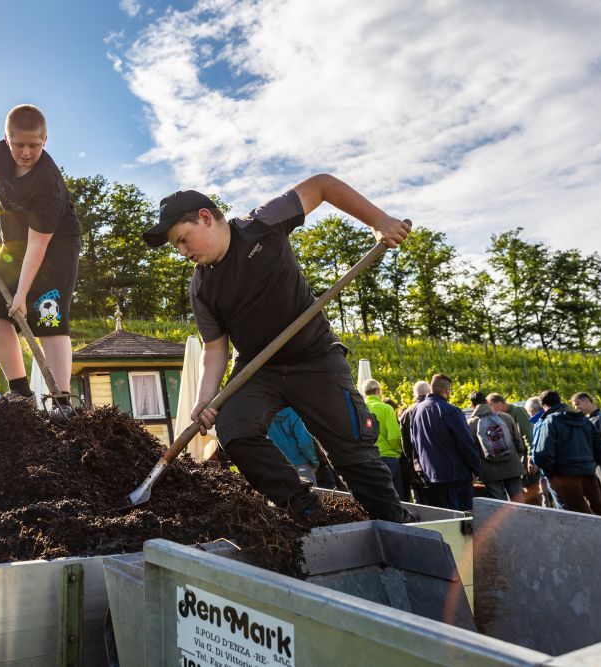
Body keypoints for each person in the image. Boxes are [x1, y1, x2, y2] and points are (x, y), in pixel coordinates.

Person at [141, 173, 412, 522]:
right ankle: (304, 509)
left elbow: (322, 186)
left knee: (351, 450)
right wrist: (204, 399)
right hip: (259, 368)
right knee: (234, 429)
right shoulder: (202, 288)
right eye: (176, 247)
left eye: (182, 239)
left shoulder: (262, 224)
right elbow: (215, 349)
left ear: (205, 218)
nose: (182, 252)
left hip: (315, 358)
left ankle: (393, 521)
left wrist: (379, 221)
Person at [0, 104, 82, 421]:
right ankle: (20, 392)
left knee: (48, 314)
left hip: (56, 247)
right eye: (19, 144)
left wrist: (21, 295)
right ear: (7, 139)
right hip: (14, 244)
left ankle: (61, 401)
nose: (26, 152)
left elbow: (38, 244)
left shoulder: (48, 184)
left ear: (45, 140)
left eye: (34, 145)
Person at [409, 374, 483, 511]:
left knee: (443, 517)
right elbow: (466, 442)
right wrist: (476, 468)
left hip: (430, 475)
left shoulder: (416, 411)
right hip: (455, 475)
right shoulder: (450, 410)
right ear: (447, 390)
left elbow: (414, 444)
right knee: (463, 517)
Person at [532, 390, 601, 515]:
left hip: (563, 475)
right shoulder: (584, 420)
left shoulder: (549, 422)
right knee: (600, 512)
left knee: (575, 516)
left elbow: (541, 454)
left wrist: (551, 473)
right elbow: (600, 446)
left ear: (544, 406)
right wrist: (591, 464)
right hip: (587, 471)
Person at [467, 391, 525, 502]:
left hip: (490, 471)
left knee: (499, 505)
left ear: (472, 405)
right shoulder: (505, 417)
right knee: (519, 503)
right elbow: (519, 442)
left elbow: (471, 450)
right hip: (512, 466)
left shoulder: (470, 423)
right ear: (486, 401)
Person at [487, 392, 540, 505]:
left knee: (532, 491)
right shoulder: (499, 416)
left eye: (491, 406)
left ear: (499, 403)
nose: (490, 409)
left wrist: (531, 457)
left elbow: (527, 435)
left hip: (525, 457)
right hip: (515, 459)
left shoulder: (517, 411)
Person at [363, 379, 406, 502]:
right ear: (378, 391)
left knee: (378, 499)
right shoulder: (386, 408)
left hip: (367, 459)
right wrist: (399, 451)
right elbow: (393, 437)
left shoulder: (360, 409)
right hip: (389, 458)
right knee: (397, 499)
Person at [268, 407, 320, 486]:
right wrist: (314, 462)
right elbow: (305, 443)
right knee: (310, 492)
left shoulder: (264, 416)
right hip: (301, 465)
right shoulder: (295, 413)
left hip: (278, 467)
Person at [399, 380, 431, 504]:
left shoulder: (406, 413)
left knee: (422, 502)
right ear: (429, 391)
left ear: (414, 394)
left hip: (417, 465)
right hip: (438, 465)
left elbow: (405, 444)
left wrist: (411, 461)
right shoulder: (434, 408)